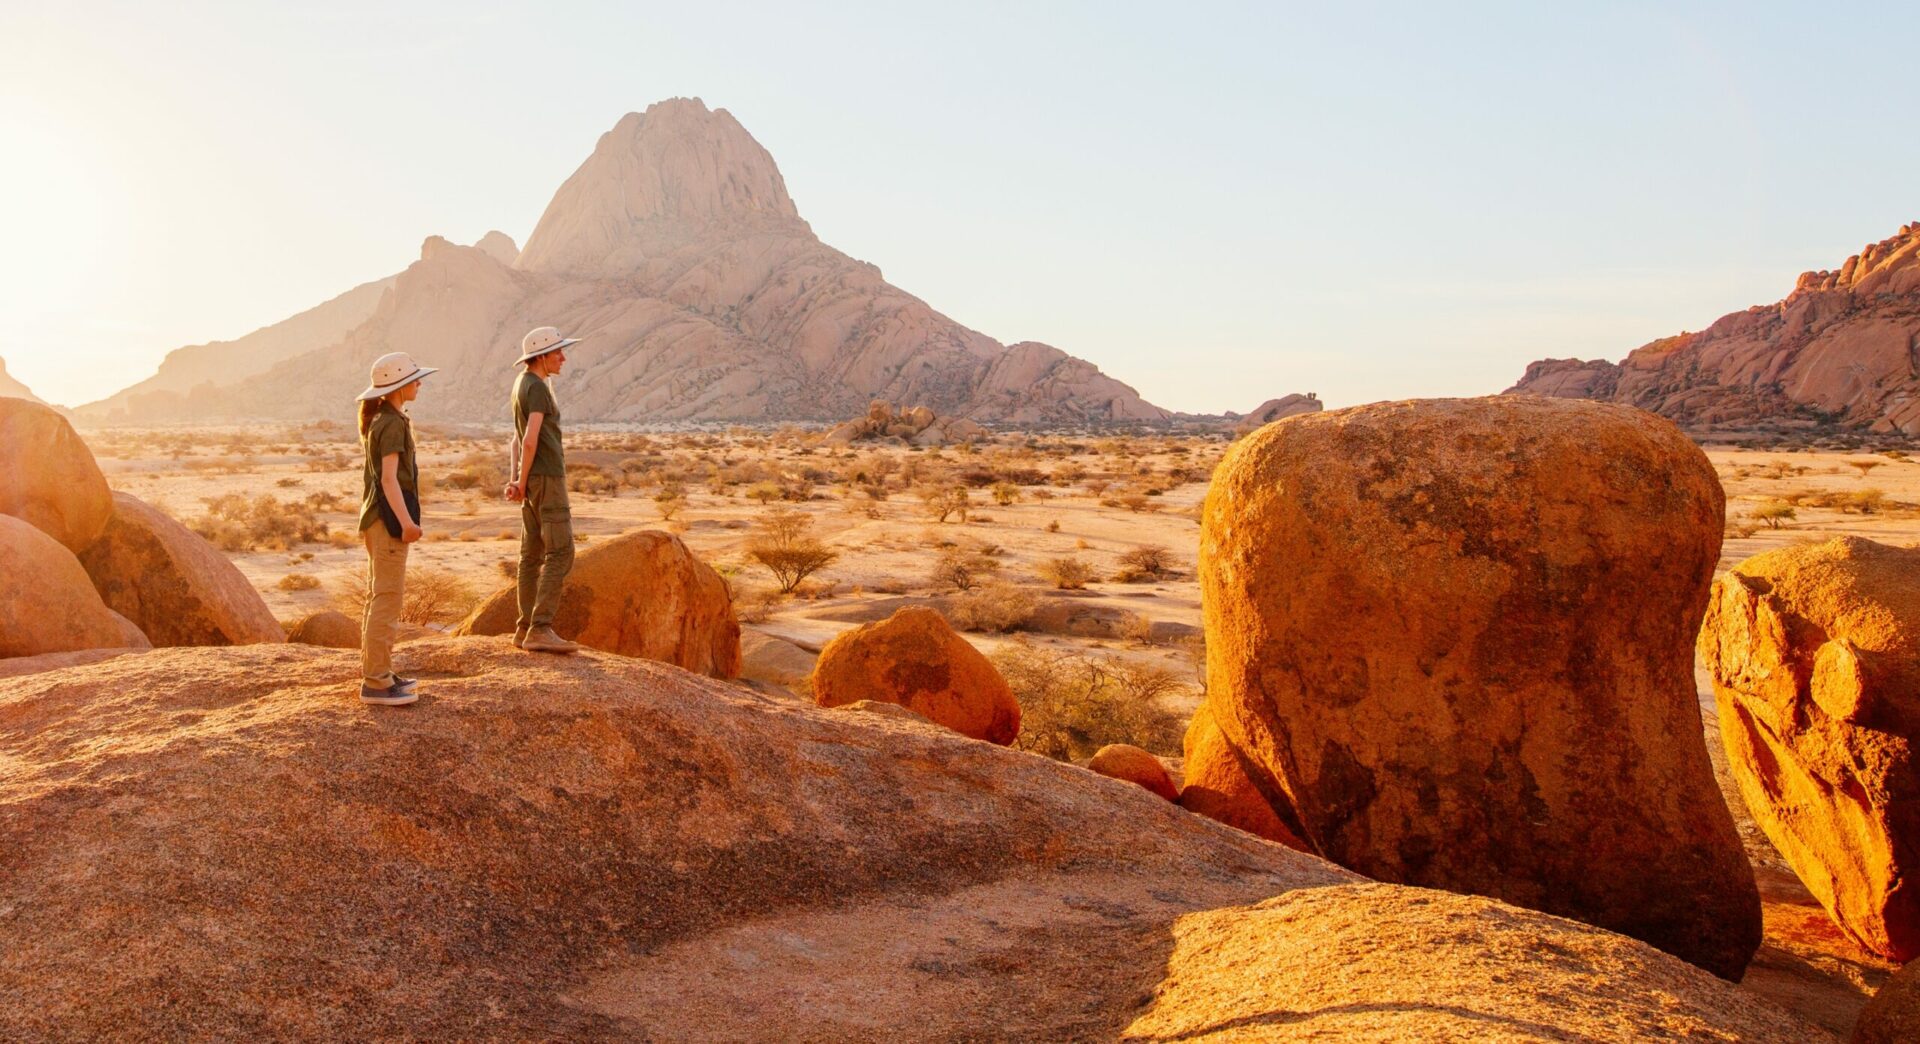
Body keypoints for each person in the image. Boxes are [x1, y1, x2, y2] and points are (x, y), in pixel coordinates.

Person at [355, 351, 438, 705]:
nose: (420, 383)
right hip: (387, 522)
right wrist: (406, 524)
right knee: (387, 601)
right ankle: (376, 683)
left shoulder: (388, 418)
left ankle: (380, 673)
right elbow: (389, 480)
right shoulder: (390, 423)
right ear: (399, 385)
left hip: (376, 519)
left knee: (380, 598)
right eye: (414, 378)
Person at [504, 326, 583, 654]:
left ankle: (524, 629)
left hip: (532, 480)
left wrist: (516, 479)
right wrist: (521, 481)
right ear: (541, 356)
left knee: (531, 555)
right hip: (546, 478)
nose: (563, 357)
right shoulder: (536, 387)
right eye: (557, 352)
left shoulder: (521, 384)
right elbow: (531, 438)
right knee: (561, 552)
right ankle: (541, 627)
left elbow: (516, 440)